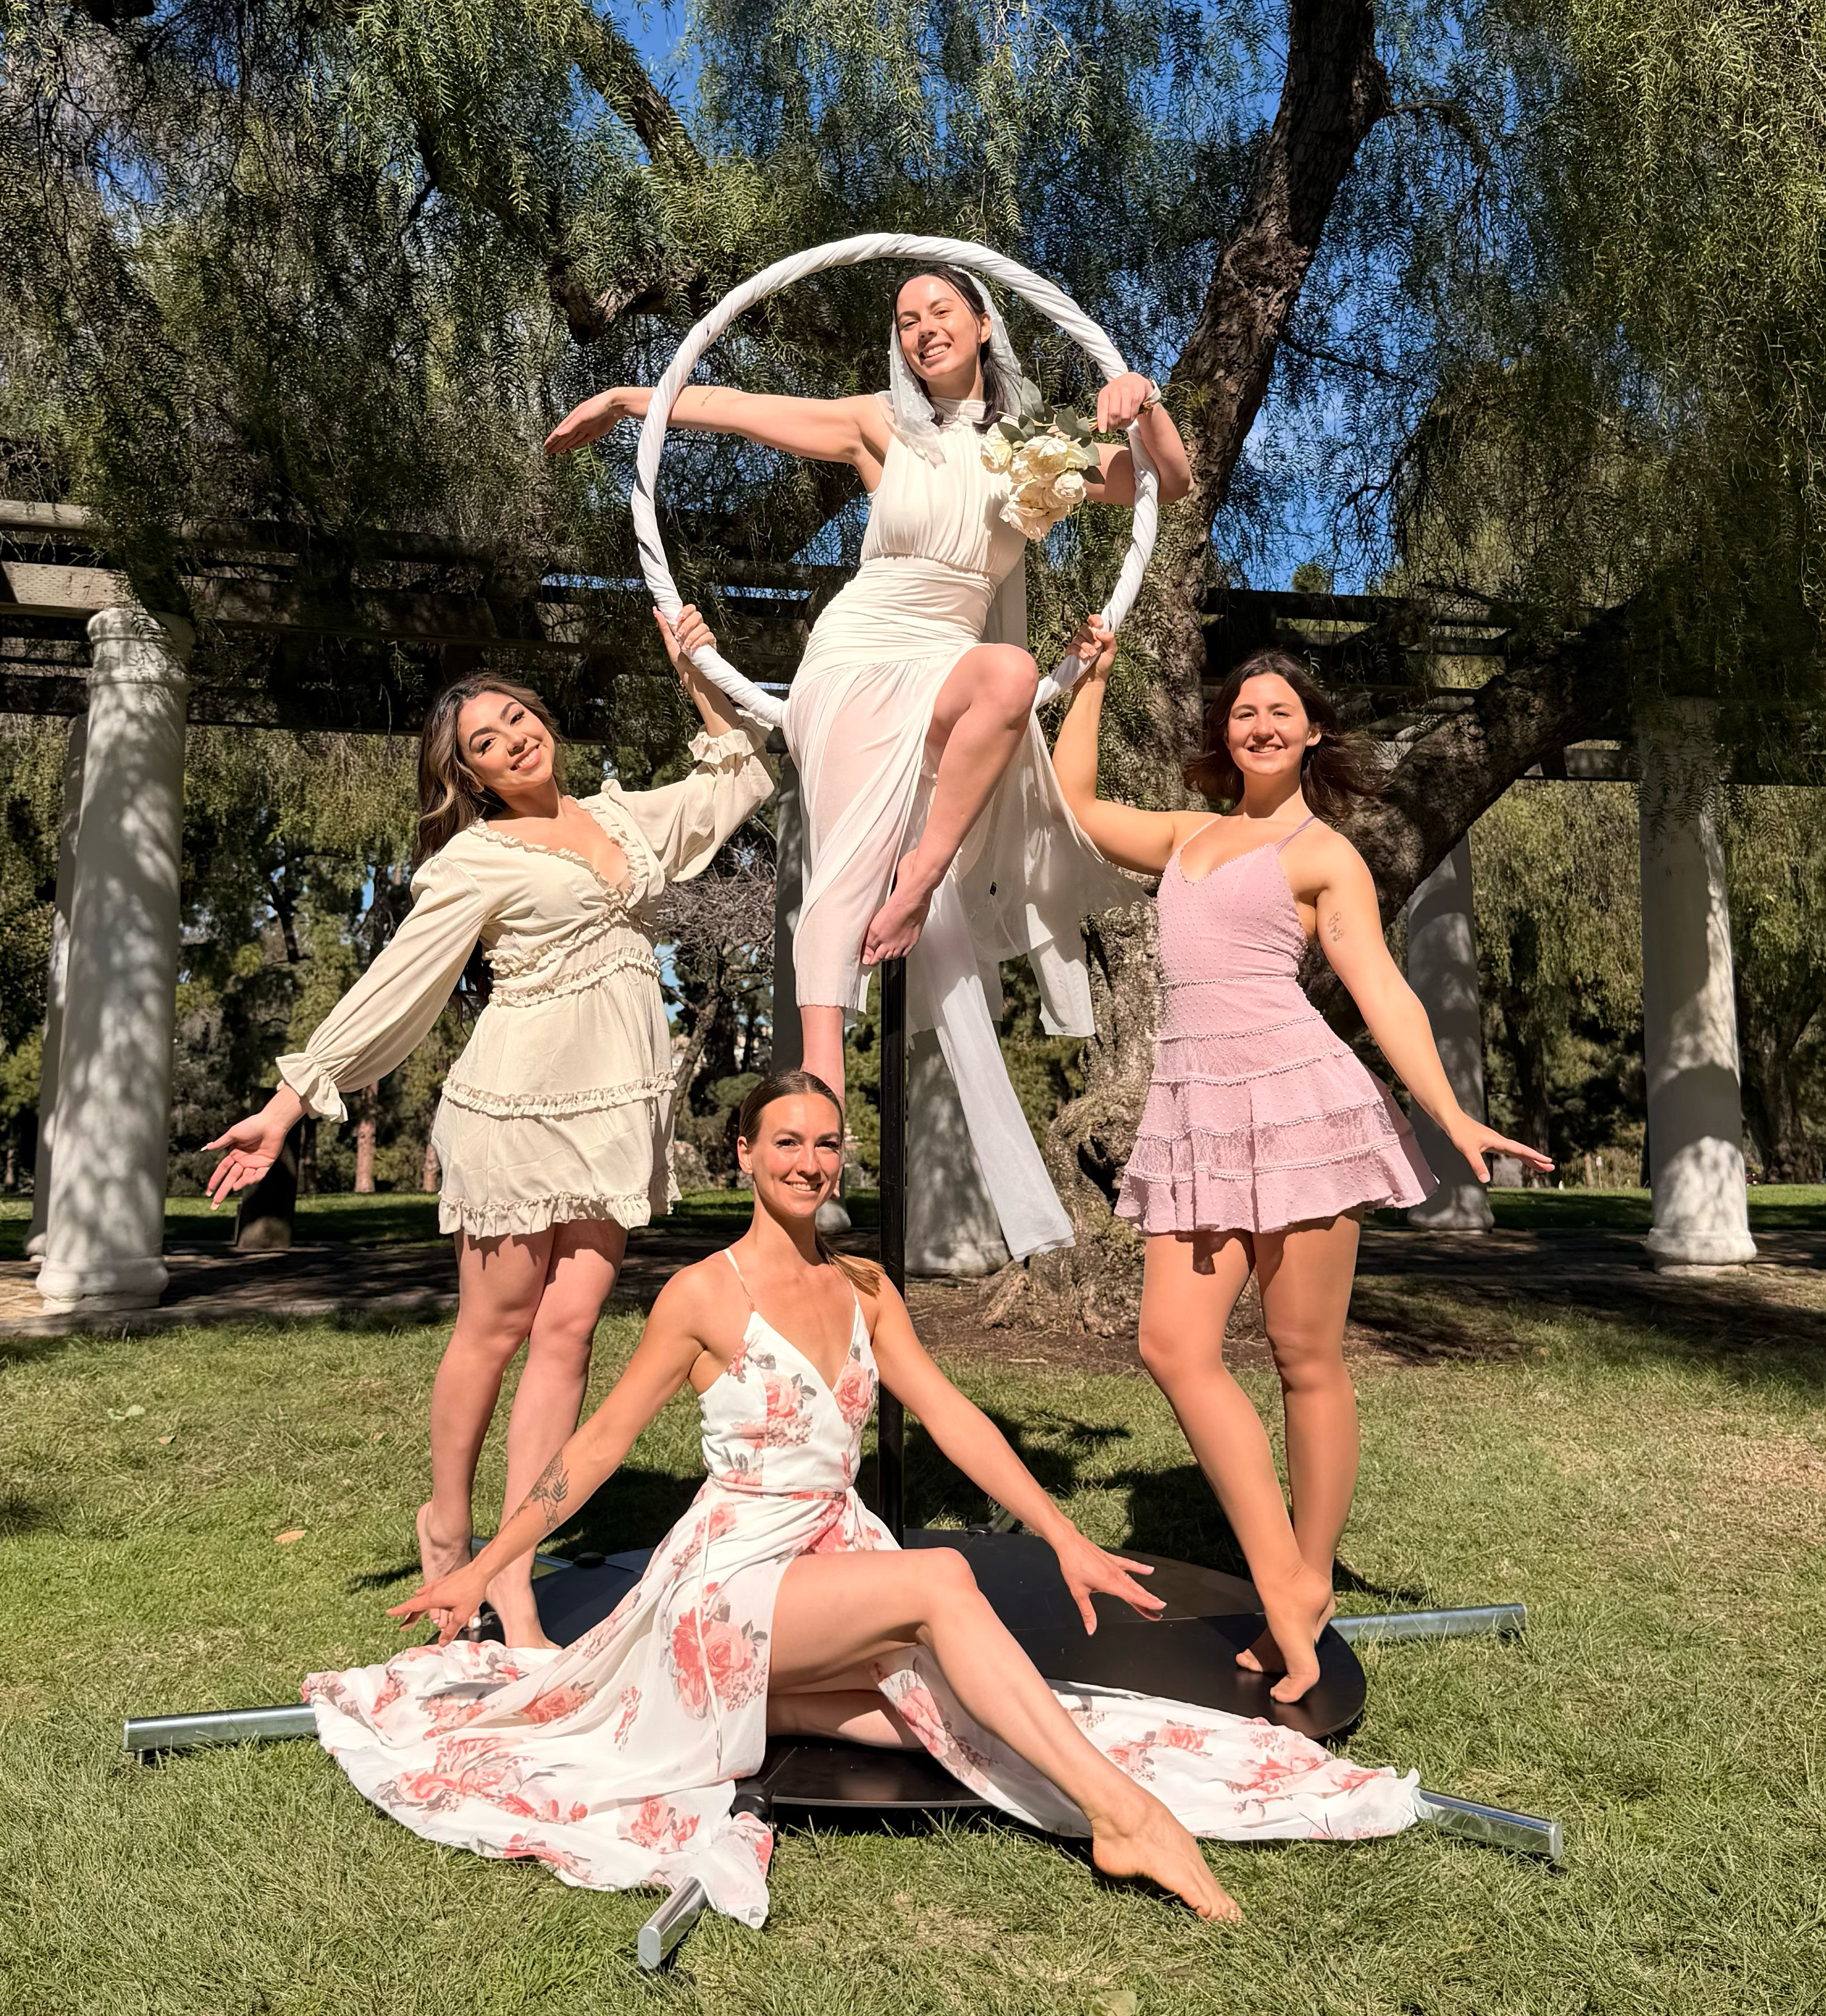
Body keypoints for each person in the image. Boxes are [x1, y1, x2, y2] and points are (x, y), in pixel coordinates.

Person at [308, 1070, 1420, 1931]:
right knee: (941, 1586)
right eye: (785, 1141)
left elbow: (956, 1418)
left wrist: (1066, 1533)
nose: (810, 1160)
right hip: (732, 1577)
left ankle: (750, 1710)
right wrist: (483, 1562)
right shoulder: (702, 1296)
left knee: (945, 1730)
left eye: (825, 1143)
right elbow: (594, 1448)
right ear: (743, 1154)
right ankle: (1128, 1820)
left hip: (832, 1560)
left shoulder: (863, 1287)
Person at [544, 268, 1195, 1258]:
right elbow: (740, 410)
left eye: (940, 312)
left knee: (1012, 678)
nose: (922, 328)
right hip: (854, 657)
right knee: (838, 878)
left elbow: (1169, 483)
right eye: (905, 320)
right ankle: (816, 1128)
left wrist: (1141, 401)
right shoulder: (876, 427)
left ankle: (922, 875)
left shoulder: (1039, 454)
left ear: (984, 326)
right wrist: (639, 399)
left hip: (950, 656)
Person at [204, 609, 774, 1649]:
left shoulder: (627, 820)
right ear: (471, 777)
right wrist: (294, 1100)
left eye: (518, 718)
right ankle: (447, 1529)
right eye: (486, 742)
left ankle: (511, 1572)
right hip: (517, 1112)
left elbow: (739, 773)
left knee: (567, 1339)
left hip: (612, 1112)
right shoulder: (472, 860)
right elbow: (397, 987)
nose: (513, 738)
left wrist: (693, 664)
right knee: (498, 1329)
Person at [1053, 633, 1551, 1702]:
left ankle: (1308, 1580)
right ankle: (1283, 1580)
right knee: (1172, 1345)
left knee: (1302, 1357)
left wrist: (1452, 1114)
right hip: (1195, 1110)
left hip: (1299, 1105)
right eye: (1243, 712)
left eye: (1281, 711)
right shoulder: (1186, 834)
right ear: (1224, 736)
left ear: (1312, 732)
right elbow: (1076, 804)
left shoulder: (1326, 854)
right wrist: (1091, 674)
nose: (1261, 724)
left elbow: (1378, 985)